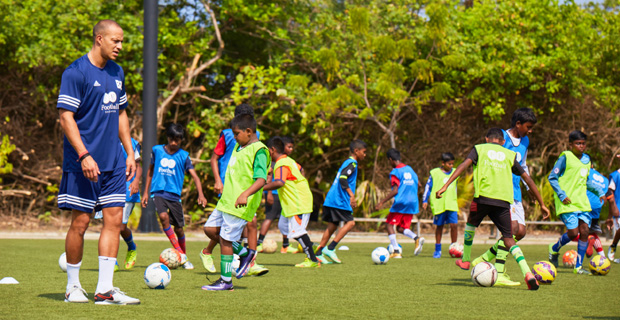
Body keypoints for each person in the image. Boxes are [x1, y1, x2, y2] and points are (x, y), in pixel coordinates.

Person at [57, 20, 140, 304]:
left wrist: (129, 152)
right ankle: (73, 287)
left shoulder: (118, 72)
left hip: (114, 162)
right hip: (84, 163)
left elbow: (121, 113)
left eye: (122, 41)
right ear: (99, 39)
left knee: (114, 222)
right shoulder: (76, 72)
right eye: (115, 41)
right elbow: (65, 117)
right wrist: (84, 155)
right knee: (80, 223)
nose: (120, 46)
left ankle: (105, 289)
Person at [436, 128, 550, 290]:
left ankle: (466, 260)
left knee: (470, 225)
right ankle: (527, 273)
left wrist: (445, 186)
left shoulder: (479, 149)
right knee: (509, 238)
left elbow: (462, 166)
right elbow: (528, 179)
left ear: (486, 138)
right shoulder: (510, 155)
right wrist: (542, 204)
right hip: (503, 201)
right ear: (503, 142)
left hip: (483, 198)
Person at [470, 108, 538, 286]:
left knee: (520, 232)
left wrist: (527, 185)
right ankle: (499, 273)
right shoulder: (500, 137)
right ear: (518, 124)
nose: (530, 131)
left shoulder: (525, 141)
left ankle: (484, 258)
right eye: (528, 127)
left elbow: (522, 164)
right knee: (513, 229)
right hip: (500, 190)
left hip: (516, 189)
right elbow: (486, 156)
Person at [202, 114, 270, 291]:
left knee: (226, 240)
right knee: (209, 229)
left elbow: (261, 179)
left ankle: (226, 281)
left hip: (239, 204)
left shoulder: (260, 150)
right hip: (226, 201)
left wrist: (245, 194)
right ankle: (246, 253)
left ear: (249, 131)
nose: (234, 137)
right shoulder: (239, 146)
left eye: (237, 133)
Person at [141, 123, 207, 270]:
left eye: (177, 140)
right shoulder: (157, 150)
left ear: (181, 140)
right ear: (168, 137)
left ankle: (183, 253)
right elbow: (150, 171)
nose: (174, 142)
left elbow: (195, 176)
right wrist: (145, 192)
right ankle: (182, 257)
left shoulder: (184, 156)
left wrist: (201, 194)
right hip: (158, 192)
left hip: (174, 196)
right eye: (172, 139)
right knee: (163, 218)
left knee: (179, 229)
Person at [547, 130, 605, 275]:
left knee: (585, 231)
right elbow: (552, 177)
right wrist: (561, 194)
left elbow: (586, 181)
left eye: (583, 144)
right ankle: (554, 249)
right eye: (578, 143)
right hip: (567, 201)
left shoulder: (587, 160)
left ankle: (578, 267)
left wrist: (600, 192)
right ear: (570, 144)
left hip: (582, 202)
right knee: (573, 233)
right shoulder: (565, 157)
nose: (581, 146)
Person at [263, 137, 318, 267]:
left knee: (297, 231)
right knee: (283, 227)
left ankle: (313, 258)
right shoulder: (289, 161)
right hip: (292, 203)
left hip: (298, 202)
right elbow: (300, 170)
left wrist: (260, 188)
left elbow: (280, 182)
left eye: (267, 151)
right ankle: (310, 246)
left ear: (272, 150)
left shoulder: (281, 163)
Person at [315, 140, 367, 264]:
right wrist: (351, 195)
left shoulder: (346, 162)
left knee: (332, 226)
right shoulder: (352, 163)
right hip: (340, 200)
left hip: (332, 199)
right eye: (364, 152)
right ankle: (330, 248)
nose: (365, 155)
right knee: (351, 223)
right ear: (356, 151)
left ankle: (318, 253)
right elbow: (343, 179)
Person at [94, 137, 142, 271]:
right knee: (108, 225)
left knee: (120, 227)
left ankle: (132, 247)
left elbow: (138, 165)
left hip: (127, 189)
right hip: (107, 187)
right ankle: (111, 260)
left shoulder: (131, 142)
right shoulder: (103, 138)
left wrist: (136, 181)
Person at [375, 148, 424, 259]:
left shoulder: (395, 172)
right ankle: (417, 238)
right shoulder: (410, 169)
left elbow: (395, 190)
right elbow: (419, 184)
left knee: (389, 225)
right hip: (412, 202)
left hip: (402, 201)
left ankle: (396, 251)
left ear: (391, 160)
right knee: (401, 228)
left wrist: (382, 202)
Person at [258, 136, 300, 254]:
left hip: (284, 195)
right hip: (274, 193)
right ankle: (259, 243)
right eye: (289, 147)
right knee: (269, 218)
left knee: (285, 219)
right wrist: (269, 194)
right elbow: (270, 177)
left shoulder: (286, 161)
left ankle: (285, 245)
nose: (291, 149)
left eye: (292, 147)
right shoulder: (274, 161)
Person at [422, 152, 458, 259]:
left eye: (452, 164)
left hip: (451, 203)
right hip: (439, 204)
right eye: (449, 164)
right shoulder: (434, 173)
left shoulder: (456, 172)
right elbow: (428, 187)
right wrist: (425, 200)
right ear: (443, 163)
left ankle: (454, 248)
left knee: (454, 226)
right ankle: (437, 250)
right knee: (439, 226)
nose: (451, 166)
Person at [585, 164, 609, 258]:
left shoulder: (584, 171)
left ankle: (589, 239)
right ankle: (602, 257)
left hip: (585, 204)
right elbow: (608, 195)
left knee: (573, 231)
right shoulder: (605, 179)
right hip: (597, 208)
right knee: (591, 232)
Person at [606, 157, 620, 263]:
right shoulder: (615, 175)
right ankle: (613, 245)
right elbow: (610, 194)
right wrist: (610, 215)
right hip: (618, 210)